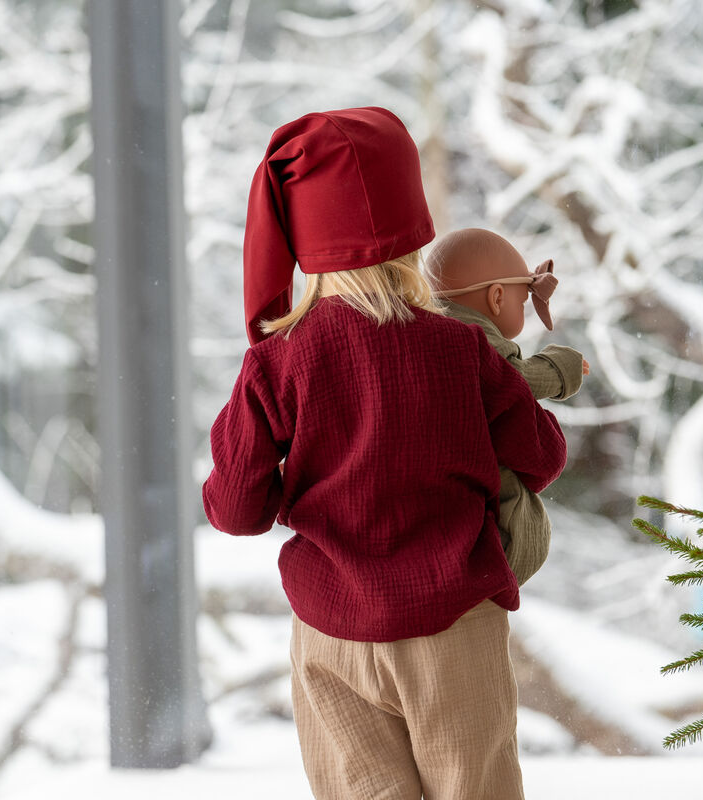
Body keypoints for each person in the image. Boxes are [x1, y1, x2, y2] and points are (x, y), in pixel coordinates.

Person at [202, 107, 567, 800]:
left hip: (332, 633)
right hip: (454, 623)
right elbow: (542, 456)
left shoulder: (277, 363)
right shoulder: (461, 347)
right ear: (413, 229)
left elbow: (236, 511)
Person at [426, 228, 589, 586]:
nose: (524, 311)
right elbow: (515, 381)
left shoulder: (421, 334)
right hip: (490, 528)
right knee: (518, 513)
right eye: (522, 303)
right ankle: (500, 566)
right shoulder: (477, 340)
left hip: (434, 487)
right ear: (497, 297)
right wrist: (560, 369)